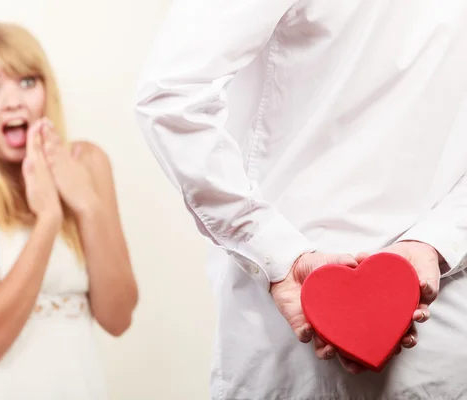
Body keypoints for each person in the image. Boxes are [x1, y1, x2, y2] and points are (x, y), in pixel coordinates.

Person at [134, 1, 467, 399]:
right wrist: (438, 240)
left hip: (309, 331)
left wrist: (273, 249)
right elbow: (172, 99)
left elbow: (170, 97)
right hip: (418, 330)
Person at [0, 22, 138, 399]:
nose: (14, 101)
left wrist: (86, 203)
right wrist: (49, 219)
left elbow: (118, 318)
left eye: (27, 81)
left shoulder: (87, 163)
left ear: (46, 89)